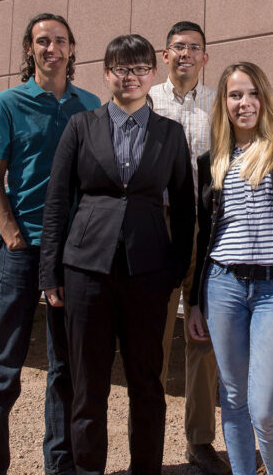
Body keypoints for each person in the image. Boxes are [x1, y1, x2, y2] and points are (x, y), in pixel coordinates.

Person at [39, 34, 195, 475]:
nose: (131, 77)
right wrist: (51, 272)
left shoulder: (170, 133)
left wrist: (175, 270)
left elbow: (184, 208)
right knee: (88, 386)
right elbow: (57, 201)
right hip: (86, 273)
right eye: (121, 68)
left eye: (140, 68)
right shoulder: (81, 126)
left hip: (148, 275)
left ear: (153, 73)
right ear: (106, 74)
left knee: (147, 385)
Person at [0, 13, 101, 475]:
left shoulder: (89, 105)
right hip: (21, 253)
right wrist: (13, 237)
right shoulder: (7, 103)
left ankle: (60, 467)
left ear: (72, 49)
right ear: (30, 50)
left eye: (60, 41)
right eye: (42, 41)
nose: (52, 49)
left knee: (64, 368)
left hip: (71, 255)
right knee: (3, 365)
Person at [188, 62, 273, 475]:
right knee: (232, 398)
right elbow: (204, 236)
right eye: (234, 95)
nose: (243, 103)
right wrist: (195, 302)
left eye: (251, 94)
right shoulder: (211, 160)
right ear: (223, 103)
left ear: (264, 97)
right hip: (221, 285)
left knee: (265, 408)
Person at [148, 21, 228, 475]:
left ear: (205, 57)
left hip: (205, 227)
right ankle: (151, 436)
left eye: (194, 48)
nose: (185, 55)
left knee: (202, 335)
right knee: (153, 338)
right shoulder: (147, 101)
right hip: (156, 229)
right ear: (165, 54)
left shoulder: (220, 106)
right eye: (178, 47)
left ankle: (200, 440)